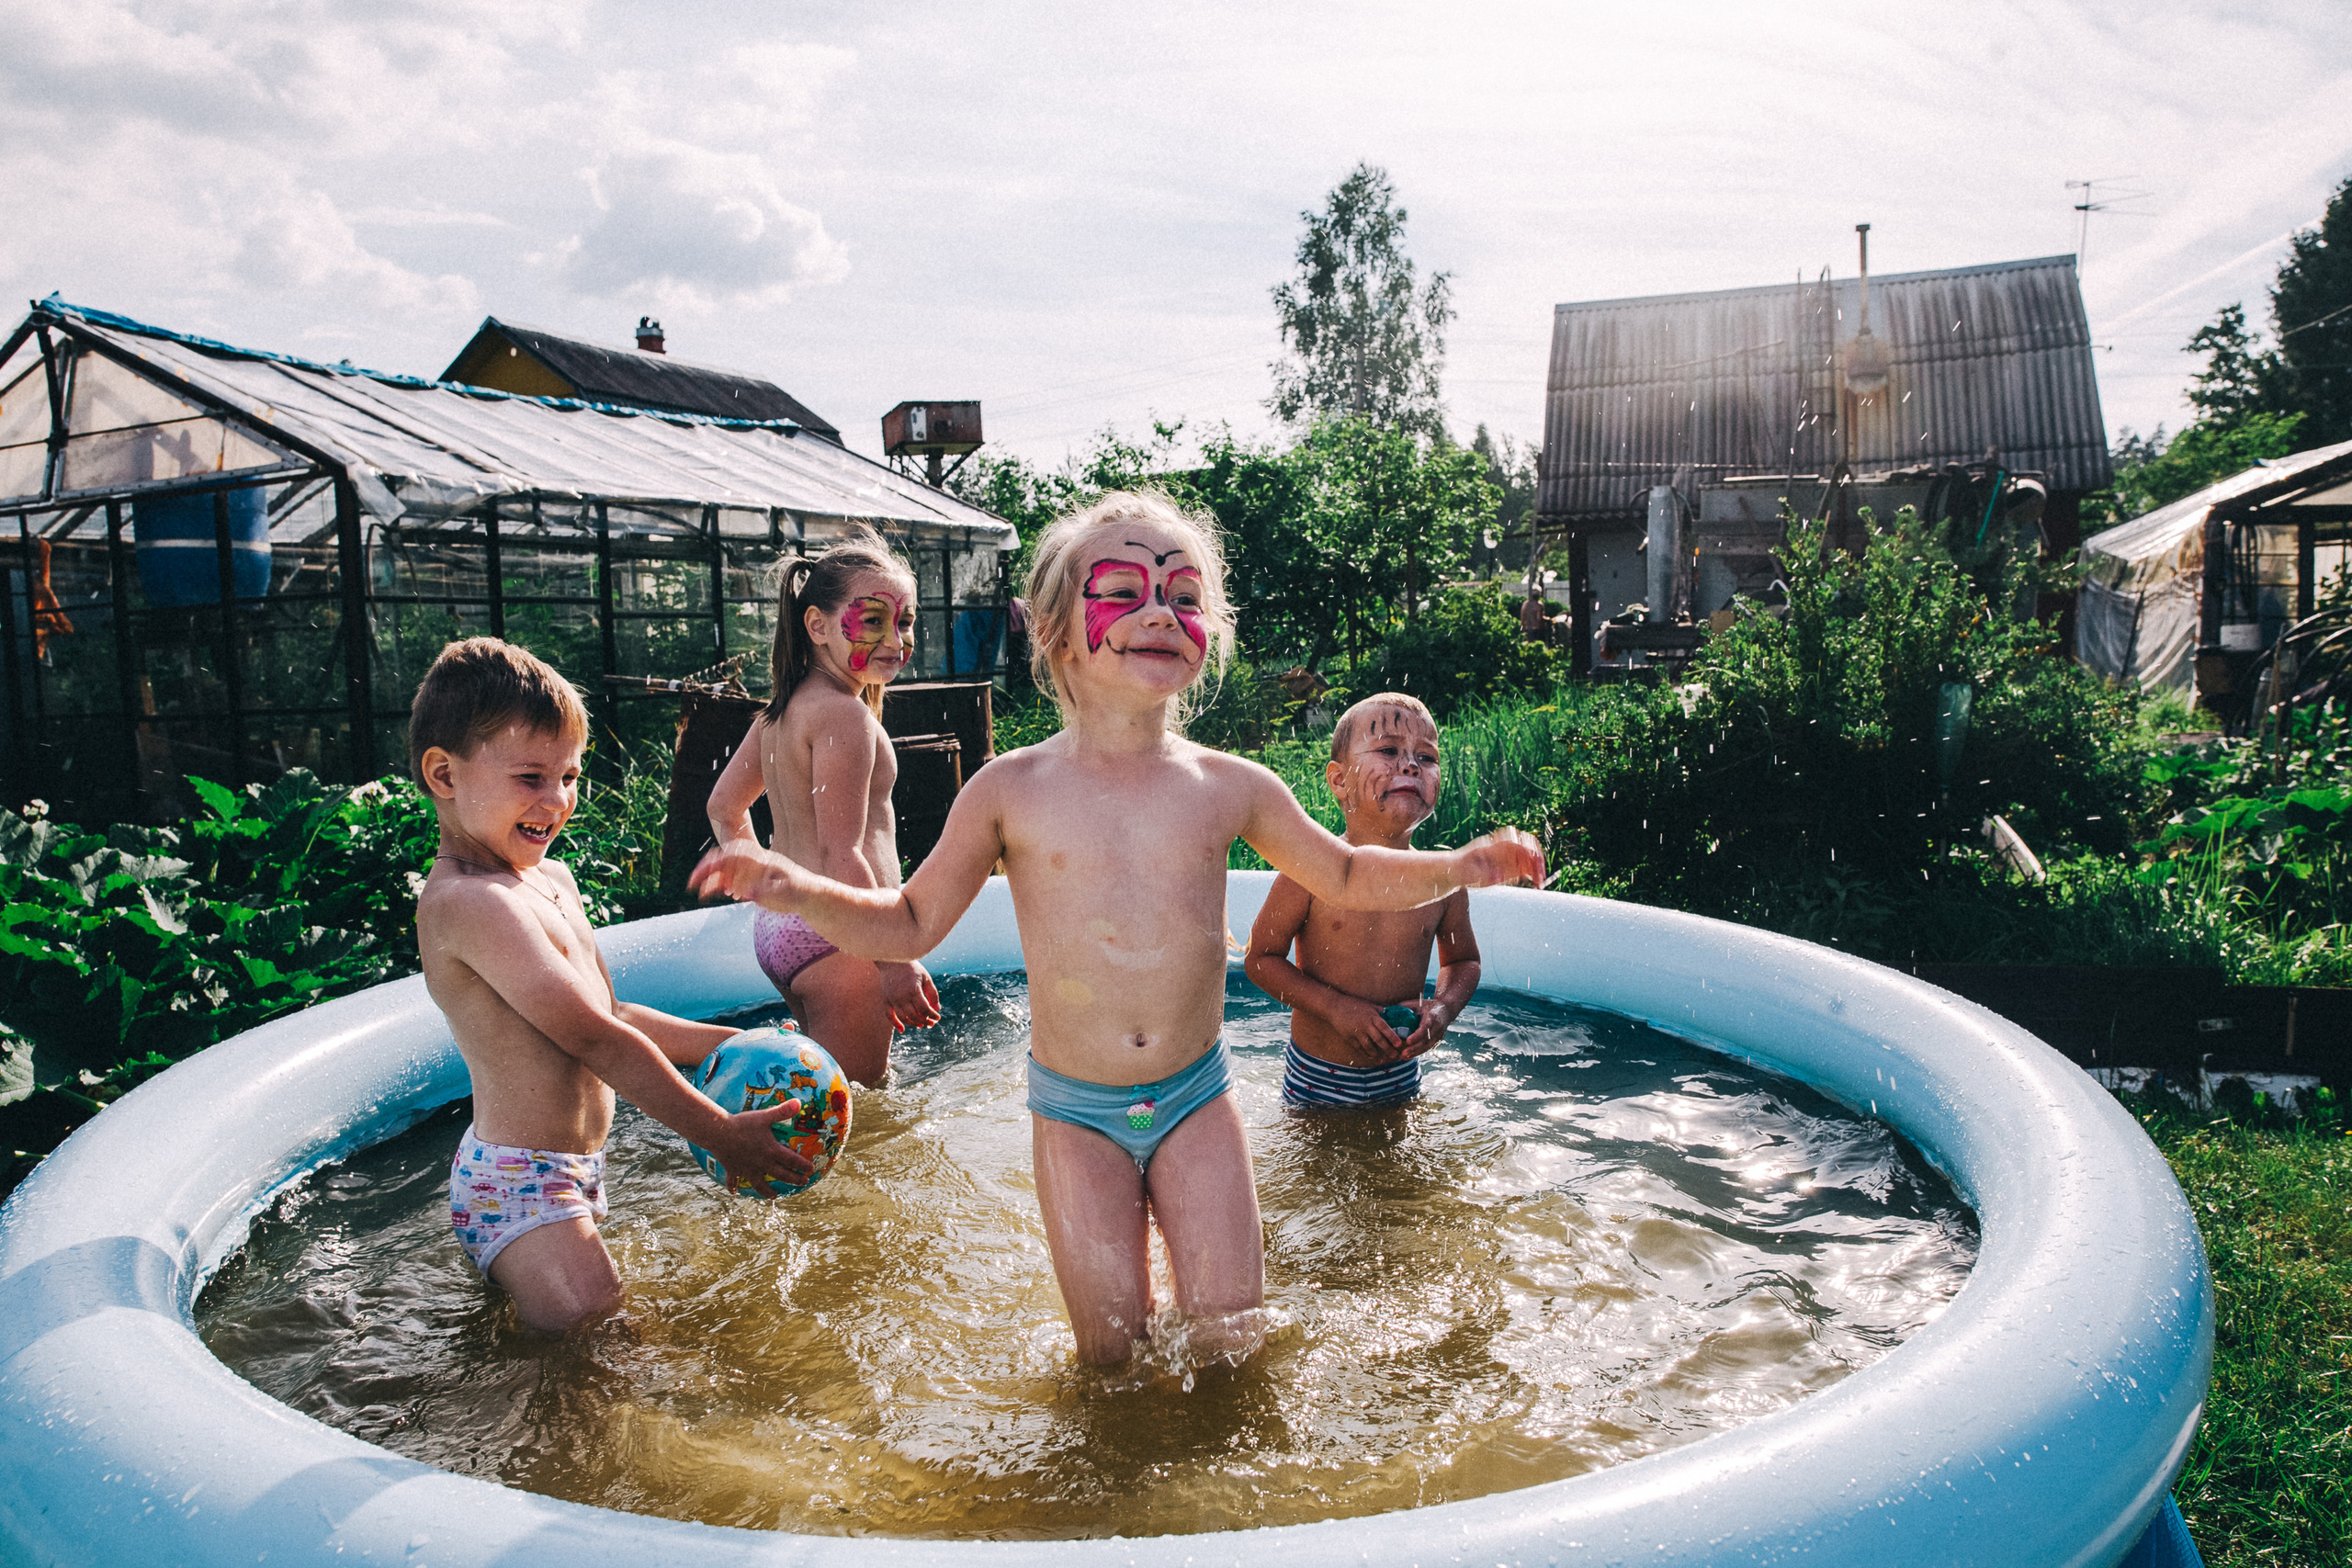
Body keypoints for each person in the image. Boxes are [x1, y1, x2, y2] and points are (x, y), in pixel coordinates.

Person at [691, 491, 1544, 1366]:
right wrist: (795, 887)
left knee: (1233, 1342)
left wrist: (1459, 864)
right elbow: (909, 922)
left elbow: (1351, 873)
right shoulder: (1008, 791)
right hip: (1076, 1114)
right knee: (1110, 1359)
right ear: (1056, 631)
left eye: (1183, 596)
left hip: (1197, 1099)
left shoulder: (1231, 786)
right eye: (1124, 591)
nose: (1159, 613)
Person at [413, 638, 808, 1333]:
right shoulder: (468, 903)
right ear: (445, 775)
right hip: (521, 1185)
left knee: (558, 1346)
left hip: (571, 1170)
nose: (556, 800)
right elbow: (594, 1039)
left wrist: (733, 1042)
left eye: (569, 775)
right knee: (601, 1346)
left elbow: (614, 1011)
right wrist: (718, 1133)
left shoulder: (551, 880)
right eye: (531, 777)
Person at [706, 531, 942, 1085]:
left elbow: (722, 807)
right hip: (845, 937)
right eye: (874, 620)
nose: (897, 640)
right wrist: (891, 959)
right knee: (857, 1114)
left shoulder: (779, 713)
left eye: (905, 621)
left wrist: (769, 882)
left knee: (819, 1101)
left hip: (783, 932)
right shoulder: (843, 716)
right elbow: (842, 854)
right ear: (816, 626)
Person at [1244, 693, 1479, 1109]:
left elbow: (1464, 962)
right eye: (1388, 751)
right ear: (1339, 780)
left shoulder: (1442, 882)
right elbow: (1261, 959)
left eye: (1426, 757)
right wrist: (1334, 1008)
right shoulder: (1310, 870)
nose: (1411, 765)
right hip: (1318, 1075)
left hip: (1401, 1073)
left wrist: (1442, 1009)